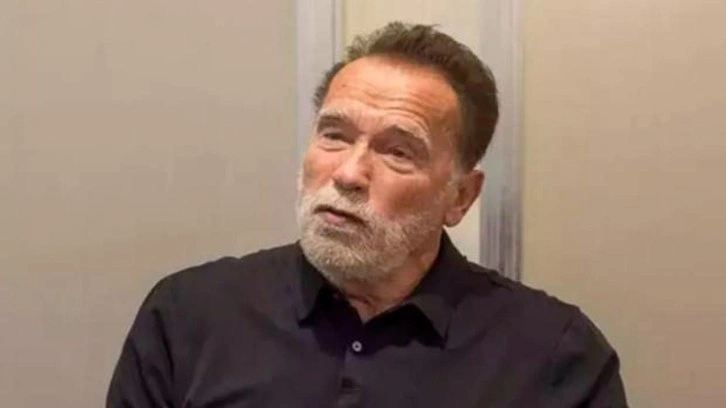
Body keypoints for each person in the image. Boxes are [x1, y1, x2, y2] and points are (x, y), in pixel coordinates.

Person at [107, 22, 627, 407]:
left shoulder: (554, 355)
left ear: (461, 197)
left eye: (398, 151)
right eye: (334, 135)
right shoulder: (190, 315)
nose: (349, 173)